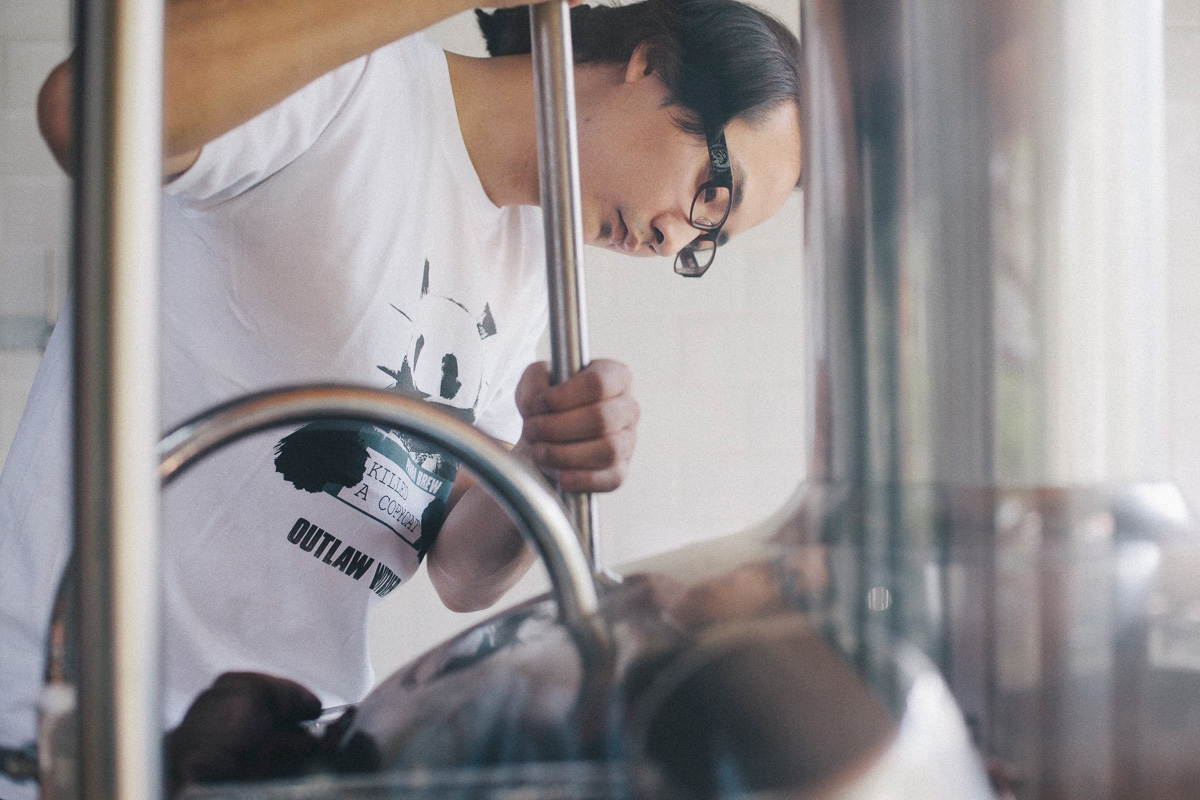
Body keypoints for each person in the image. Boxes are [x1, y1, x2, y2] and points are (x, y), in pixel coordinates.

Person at [0, 0, 802, 796]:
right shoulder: (354, 91)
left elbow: (457, 569)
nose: (673, 240)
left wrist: (543, 465)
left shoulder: (537, 256)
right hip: (72, 720)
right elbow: (85, 112)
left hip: (275, 747)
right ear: (648, 62)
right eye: (711, 192)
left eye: (706, 243)